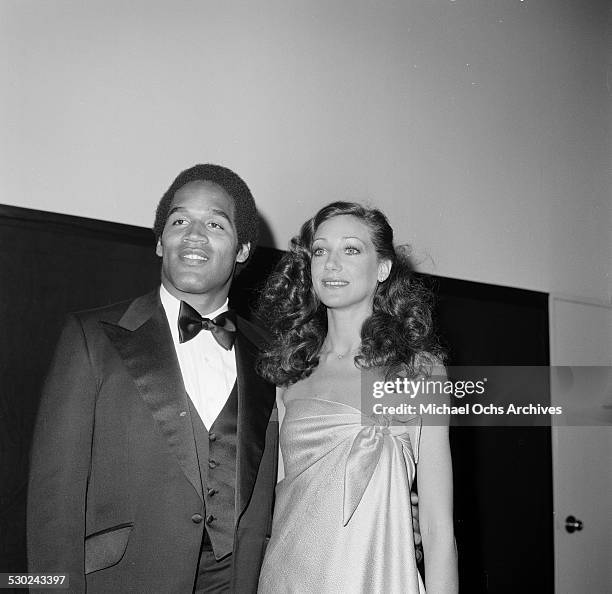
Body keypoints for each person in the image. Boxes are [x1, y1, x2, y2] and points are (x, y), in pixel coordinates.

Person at [27, 164, 278, 593]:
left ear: (243, 250)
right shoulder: (90, 337)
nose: (194, 235)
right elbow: (53, 502)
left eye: (215, 224)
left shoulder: (273, 353)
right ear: (161, 241)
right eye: (179, 221)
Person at [256, 202, 458, 593]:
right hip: (289, 577)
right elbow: (279, 504)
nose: (331, 264)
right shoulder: (291, 373)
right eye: (320, 250)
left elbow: (436, 526)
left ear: (383, 267)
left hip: (379, 578)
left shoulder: (417, 371)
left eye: (351, 249)